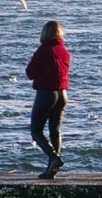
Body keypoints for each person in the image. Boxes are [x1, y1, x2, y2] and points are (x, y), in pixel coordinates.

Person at [24, 20, 70, 179]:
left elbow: (30, 73)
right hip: (63, 93)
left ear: (45, 33)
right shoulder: (64, 50)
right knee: (55, 130)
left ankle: (53, 157)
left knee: (36, 131)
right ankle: (52, 170)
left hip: (46, 94)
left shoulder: (44, 50)